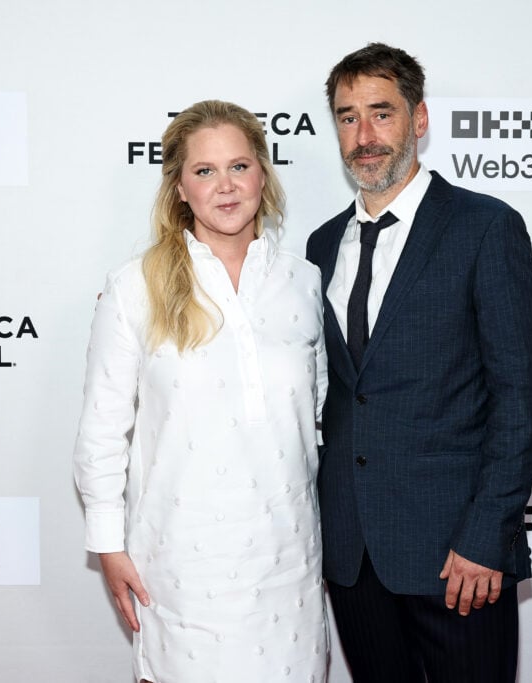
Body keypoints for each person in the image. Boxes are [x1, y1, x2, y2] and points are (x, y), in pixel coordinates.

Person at [306, 44, 532, 682]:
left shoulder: (484, 228)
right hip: (352, 554)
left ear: (419, 121)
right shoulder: (321, 243)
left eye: (381, 114)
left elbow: (521, 397)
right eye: (347, 116)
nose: (364, 136)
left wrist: (486, 535)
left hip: (456, 556)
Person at [74, 99, 329, 683]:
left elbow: (316, 414)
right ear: (179, 189)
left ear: (263, 174)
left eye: (239, 166)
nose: (226, 187)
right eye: (205, 171)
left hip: (288, 558)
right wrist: (109, 546)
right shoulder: (135, 285)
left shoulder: (304, 281)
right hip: (181, 563)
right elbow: (102, 431)